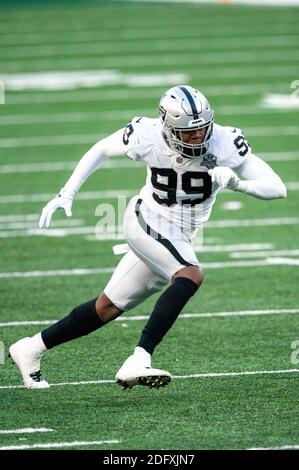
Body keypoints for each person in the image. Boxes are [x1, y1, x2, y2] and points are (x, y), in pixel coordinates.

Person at [9, 85, 286, 390]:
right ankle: (139, 358)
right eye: (187, 133)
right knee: (190, 274)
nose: (197, 138)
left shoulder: (225, 141)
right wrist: (67, 192)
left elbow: (277, 187)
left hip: (180, 234)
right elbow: (101, 148)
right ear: (167, 128)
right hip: (146, 220)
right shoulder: (148, 134)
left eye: (201, 130)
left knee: (108, 307)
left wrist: (239, 184)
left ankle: (30, 348)